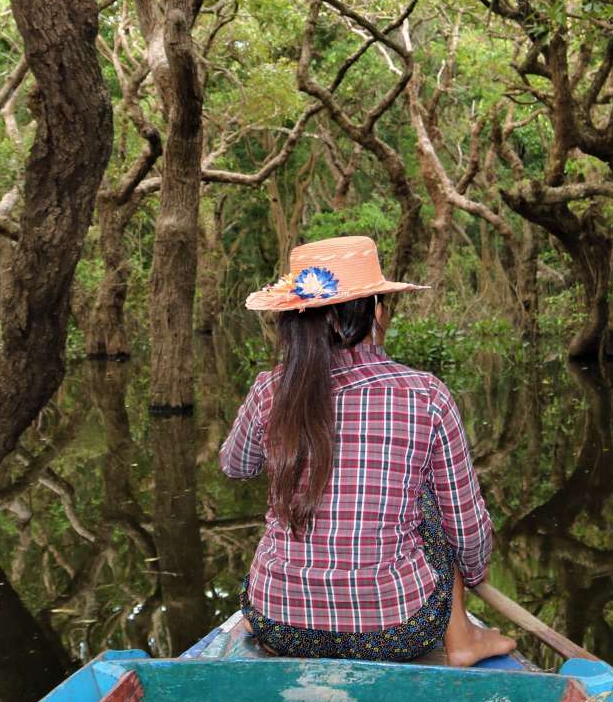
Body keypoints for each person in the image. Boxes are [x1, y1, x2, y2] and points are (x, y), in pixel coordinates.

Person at [219, 235, 517, 666]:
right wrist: (473, 573)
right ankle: (464, 638)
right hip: (394, 632)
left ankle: (292, 602)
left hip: (279, 626)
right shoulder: (424, 394)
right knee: (432, 502)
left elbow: (235, 465)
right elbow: (466, 527)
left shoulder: (270, 388)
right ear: (375, 312)